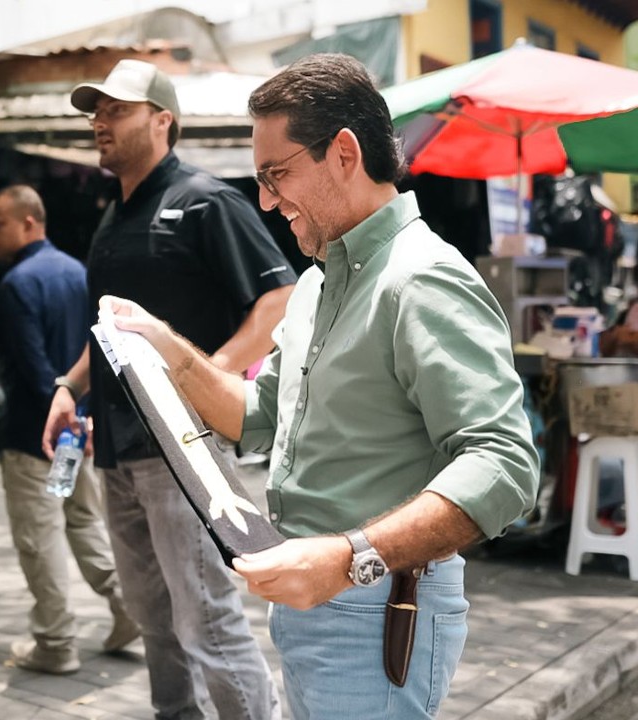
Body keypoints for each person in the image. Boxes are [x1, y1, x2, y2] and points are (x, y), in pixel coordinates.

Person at [98, 53, 539, 718]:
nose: (268, 201)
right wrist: (166, 348)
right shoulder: (317, 282)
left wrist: (348, 559)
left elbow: (503, 464)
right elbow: (255, 415)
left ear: (342, 152)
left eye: (277, 176)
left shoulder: (421, 277)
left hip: (378, 602)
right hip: (318, 597)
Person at [45, 59, 295, 719]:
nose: (99, 122)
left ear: (163, 120)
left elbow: (280, 299)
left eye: (115, 110)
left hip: (183, 446)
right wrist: (70, 387)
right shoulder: (113, 216)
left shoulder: (205, 199)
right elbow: (108, 329)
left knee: (207, 619)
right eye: (95, 111)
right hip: (118, 450)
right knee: (154, 620)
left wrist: (206, 376)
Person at [0, 184, 140, 675]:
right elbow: (98, 354)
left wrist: (65, 409)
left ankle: (56, 641)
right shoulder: (79, 273)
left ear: (29, 221)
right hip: (82, 432)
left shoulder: (16, 284)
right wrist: (88, 416)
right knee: (81, 522)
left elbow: (35, 371)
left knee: (40, 537)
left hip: (37, 435)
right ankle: (128, 607)